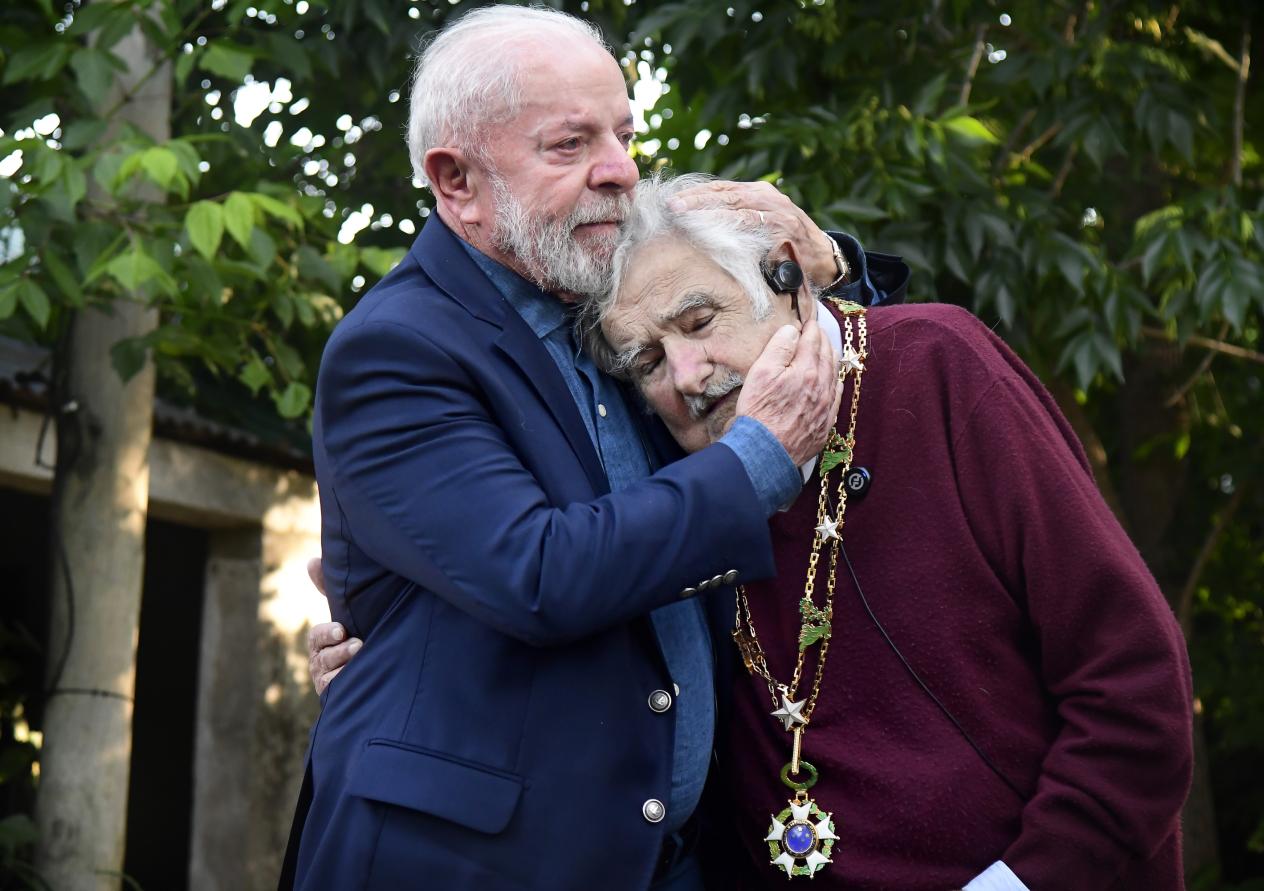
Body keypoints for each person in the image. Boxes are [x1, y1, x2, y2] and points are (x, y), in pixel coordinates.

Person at [282, 7, 906, 891]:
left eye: (622, 133)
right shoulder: (395, 348)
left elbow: (777, 364)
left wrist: (829, 264)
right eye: (570, 145)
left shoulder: (613, 291)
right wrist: (759, 457)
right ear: (456, 181)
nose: (619, 171)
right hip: (470, 864)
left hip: (678, 856)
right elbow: (539, 572)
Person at [579, 173, 1194, 889]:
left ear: (788, 280)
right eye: (649, 361)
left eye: (699, 321)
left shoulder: (938, 365)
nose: (686, 374)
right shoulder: (680, 494)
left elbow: (1135, 690)